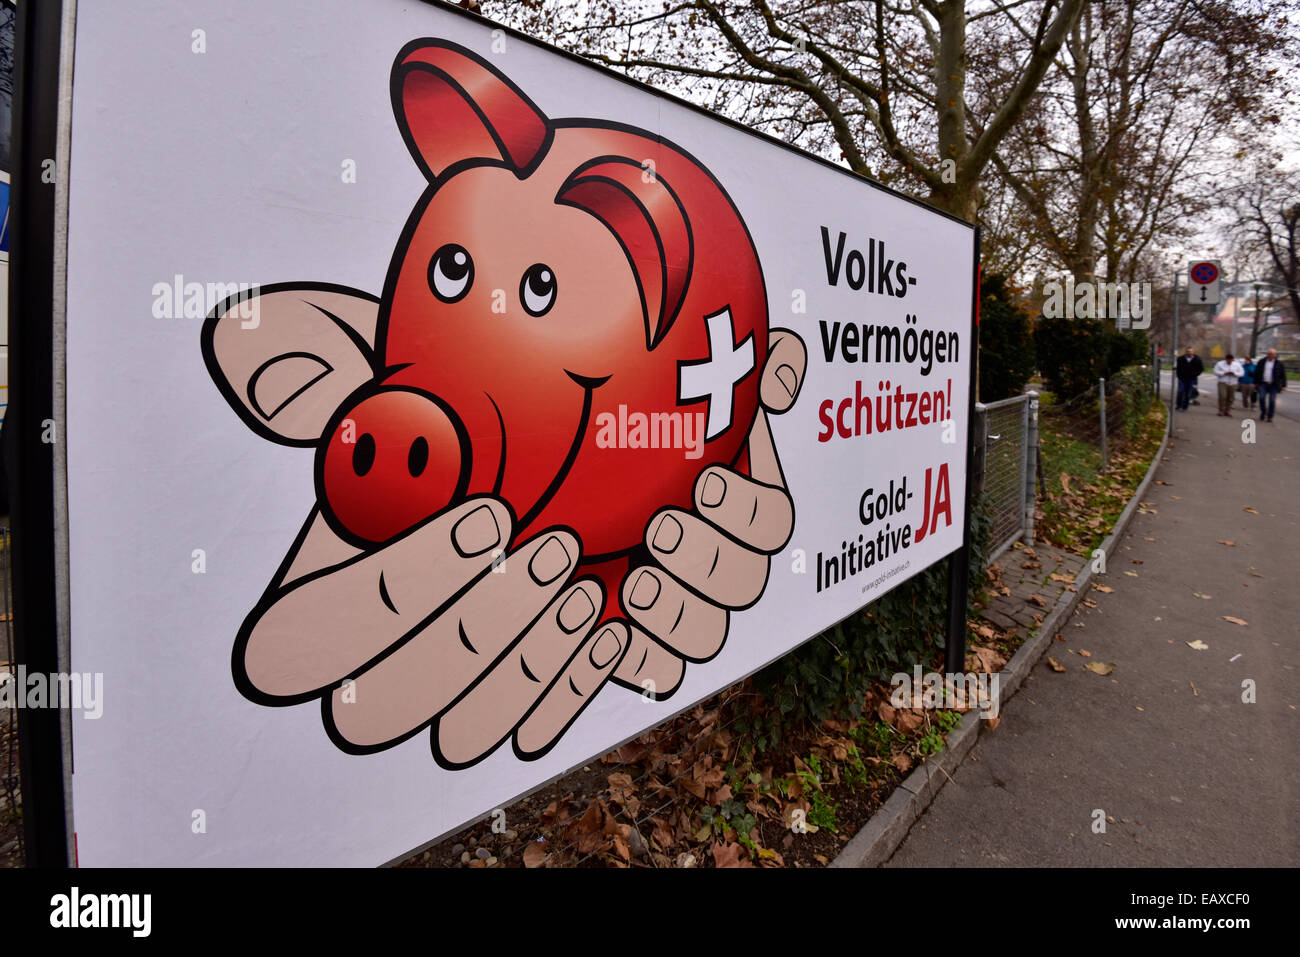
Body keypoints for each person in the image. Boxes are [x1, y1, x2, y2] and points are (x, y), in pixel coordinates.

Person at [1255, 348, 1288, 423]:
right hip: (1263, 383)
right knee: (1262, 398)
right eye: (1269, 354)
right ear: (1267, 354)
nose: (1270, 355)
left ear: (1275, 355)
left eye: (1272, 354)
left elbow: (1283, 375)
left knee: (1272, 401)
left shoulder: (1279, 364)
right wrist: (1255, 382)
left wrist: (1284, 385)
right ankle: (1263, 412)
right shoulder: (1261, 362)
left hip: (1274, 385)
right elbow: (1257, 372)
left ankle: (1270, 416)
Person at [1175, 346, 1203, 411]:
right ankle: (1178, 405)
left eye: (1190, 351)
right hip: (1182, 378)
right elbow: (1178, 368)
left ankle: (1185, 407)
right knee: (1180, 391)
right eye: (1188, 351)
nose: (1189, 353)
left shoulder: (1197, 359)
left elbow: (1200, 369)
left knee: (1188, 393)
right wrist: (1179, 375)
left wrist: (1195, 374)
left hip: (1191, 379)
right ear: (1186, 352)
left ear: (1193, 352)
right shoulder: (1181, 359)